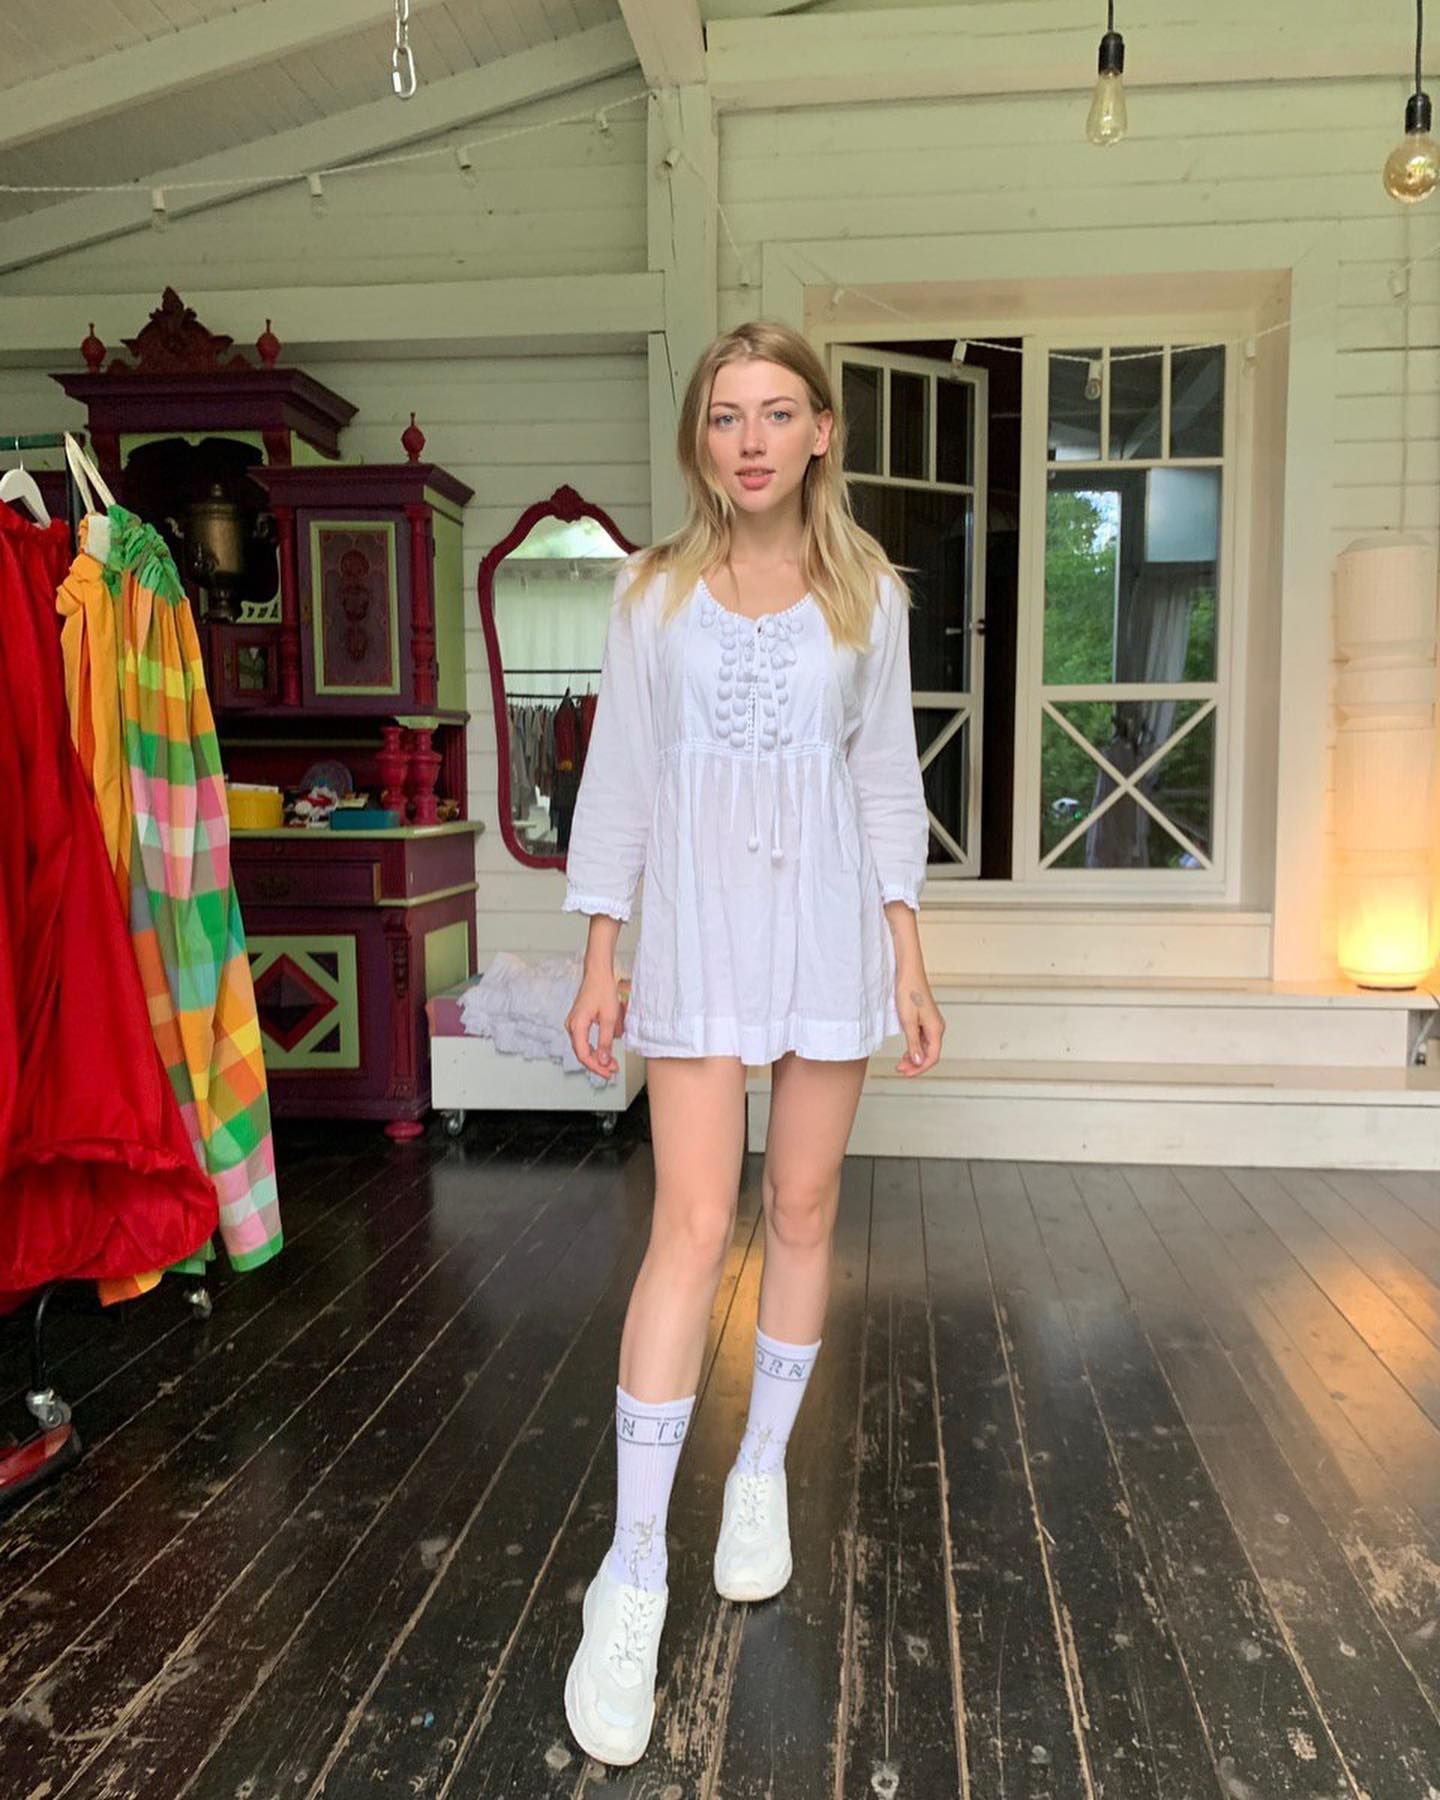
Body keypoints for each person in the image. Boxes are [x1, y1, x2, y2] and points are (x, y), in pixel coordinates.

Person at [560, 319, 943, 1766]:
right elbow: (622, 780)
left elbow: (887, 783)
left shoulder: (869, 596)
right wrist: (602, 953)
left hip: (830, 924)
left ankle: (762, 1471)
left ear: (823, 431)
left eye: (779, 412)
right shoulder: (653, 595)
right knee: (690, 1222)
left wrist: (909, 955)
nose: (753, 440)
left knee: (802, 1207)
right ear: (700, 439)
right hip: (702, 928)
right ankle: (632, 1569)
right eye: (727, 416)